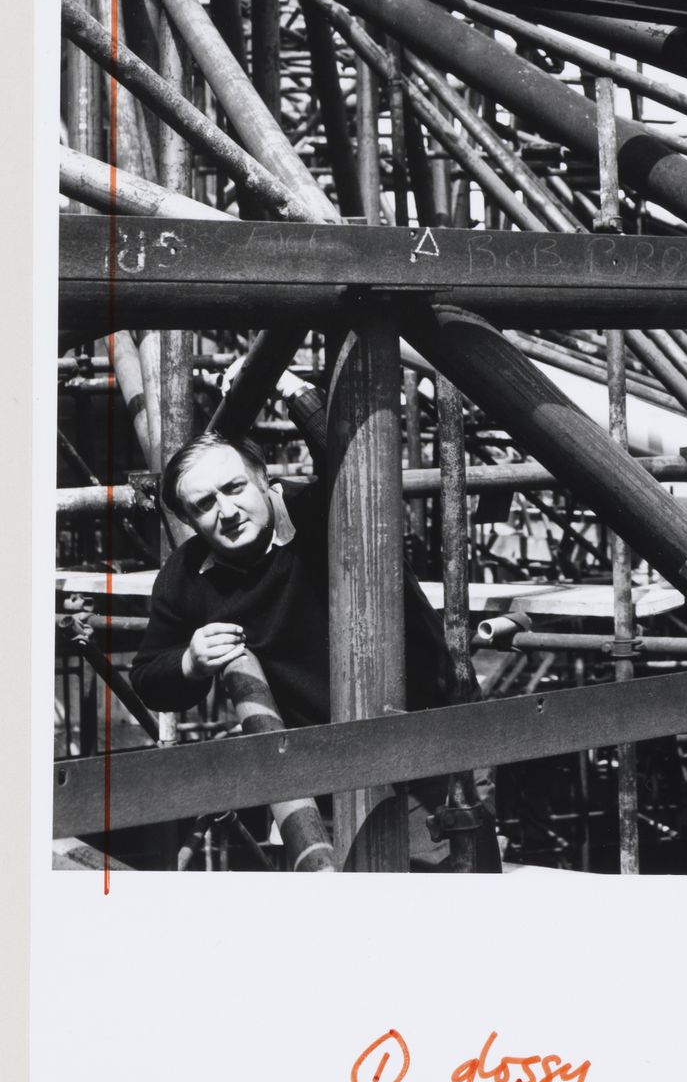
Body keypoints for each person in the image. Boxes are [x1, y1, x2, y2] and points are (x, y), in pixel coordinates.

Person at [131, 367, 493, 868]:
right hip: (322, 769)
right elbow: (149, 677)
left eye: (234, 487)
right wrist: (190, 663)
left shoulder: (325, 510)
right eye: (204, 505)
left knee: (446, 897)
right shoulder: (188, 574)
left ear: (264, 479)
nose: (227, 511)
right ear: (190, 521)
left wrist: (290, 390)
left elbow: (358, 452)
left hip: (428, 739)